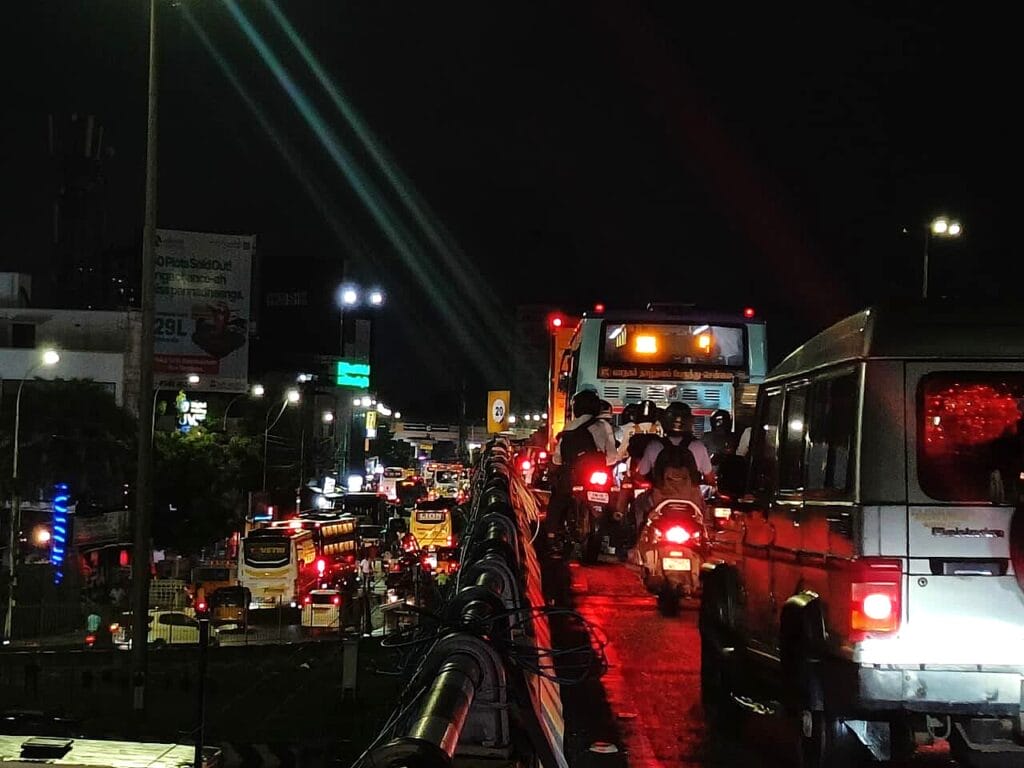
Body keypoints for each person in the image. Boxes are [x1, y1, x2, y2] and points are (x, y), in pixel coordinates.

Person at [547, 390, 616, 550]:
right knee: (615, 499)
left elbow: (558, 458)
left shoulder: (569, 427)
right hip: (600, 474)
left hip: (573, 475)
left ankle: (551, 537)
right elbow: (613, 456)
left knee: (558, 500)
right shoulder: (603, 426)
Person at [635, 401, 716, 487]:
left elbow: (640, 475)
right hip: (690, 498)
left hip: (660, 498)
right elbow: (709, 478)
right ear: (690, 421)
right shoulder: (699, 446)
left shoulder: (653, 446)